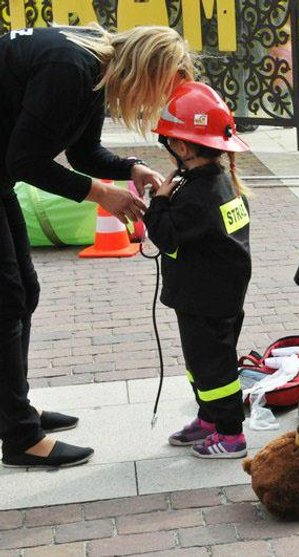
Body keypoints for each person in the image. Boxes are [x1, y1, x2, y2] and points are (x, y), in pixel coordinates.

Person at [0, 25, 193, 468]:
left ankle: (14, 410)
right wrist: (102, 195)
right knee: (8, 300)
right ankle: (20, 437)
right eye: (160, 90)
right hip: (6, 170)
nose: (153, 104)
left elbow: (83, 153)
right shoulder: (69, 67)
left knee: (24, 291)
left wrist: (133, 169)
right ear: (146, 69)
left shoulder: (93, 65)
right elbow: (26, 160)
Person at [144, 82, 252, 459]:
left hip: (206, 299)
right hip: (218, 295)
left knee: (214, 368)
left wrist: (157, 203)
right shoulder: (219, 181)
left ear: (184, 147)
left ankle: (230, 434)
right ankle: (208, 418)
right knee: (201, 363)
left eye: (170, 142)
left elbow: (165, 237)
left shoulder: (196, 195)